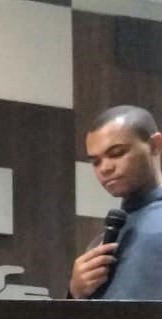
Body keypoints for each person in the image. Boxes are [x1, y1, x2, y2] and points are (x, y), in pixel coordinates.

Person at [69, 105, 162, 299]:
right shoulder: (101, 243)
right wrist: (76, 292)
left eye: (117, 153)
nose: (105, 168)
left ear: (155, 145)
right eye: (95, 162)